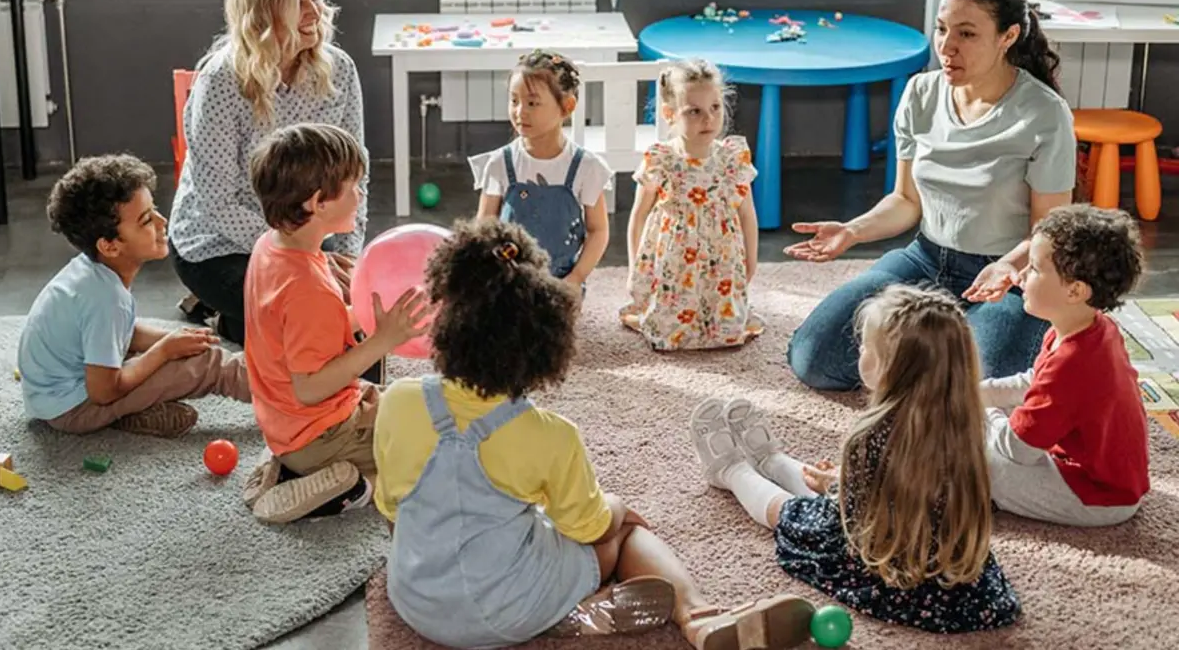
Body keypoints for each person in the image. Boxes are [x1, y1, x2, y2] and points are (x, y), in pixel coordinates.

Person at [374, 217, 818, 650]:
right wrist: (619, 509)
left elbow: (392, 505)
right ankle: (698, 616)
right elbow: (589, 526)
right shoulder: (550, 436)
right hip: (507, 609)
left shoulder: (398, 400)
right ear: (543, 345)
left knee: (506, 520)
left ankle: (567, 612)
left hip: (415, 600)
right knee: (623, 533)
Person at [785, 0, 1075, 390]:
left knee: (982, 389)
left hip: (1004, 276)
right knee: (814, 358)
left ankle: (936, 351)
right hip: (924, 258)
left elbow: (1049, 229)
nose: (947, 46)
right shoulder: (921, 93)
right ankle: (936, 349)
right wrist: (852, 230)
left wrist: (1009, 267)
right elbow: (906, 201)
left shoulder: (1044, 114)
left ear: (1008, 36)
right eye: (942, 29)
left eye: (967, 33)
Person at [692, 284, 1021, 634]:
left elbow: (851, 520)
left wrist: (841, 486)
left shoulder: (872, 434)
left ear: (891, 367)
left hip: (895, 567)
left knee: (792, 513)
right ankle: (771, 460)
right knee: (824, 496)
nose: (859, 351)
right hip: (956, 576)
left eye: (866, 347)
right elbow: (907, 490)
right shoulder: (970, 421)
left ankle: (731, 471)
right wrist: (842, 482)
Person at [168, 0, 369, 345]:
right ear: (264, 13)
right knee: (303, 320)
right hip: (218, 245)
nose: (314, 11)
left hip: (308, 235)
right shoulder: (222, 80)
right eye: (297, 2)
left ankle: (234, 315)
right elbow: (218, 203)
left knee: (342, 318)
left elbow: (355, 174)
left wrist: (348, 259)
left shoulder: (339, 70)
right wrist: (303, 257)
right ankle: (222, 314)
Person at [238, 123, 430, 524]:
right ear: (317, 203)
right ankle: (348, 486)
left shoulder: (270, 247)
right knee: (433, 453)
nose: (360, 195)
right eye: (353, 186)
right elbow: (309, 388)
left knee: (413, 402)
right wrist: (381, 340)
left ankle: (289, 466)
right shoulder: (308, 288)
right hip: (321, 433)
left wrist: (361, 317)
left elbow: (298, 335)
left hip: (288, 424)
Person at [18, 155, 250, 437]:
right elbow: (104, 391)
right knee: (206, 364)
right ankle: (290, 396)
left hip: (54, 398)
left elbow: (123, 331)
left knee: (182, 348)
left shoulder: (92, 272)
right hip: (74, 409)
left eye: (155, 210)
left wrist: (170, 340)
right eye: (145, 220)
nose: (162, 221)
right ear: (110, 246)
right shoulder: (106, 299)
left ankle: (133, 414)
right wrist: (164, 351)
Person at [982, 204, 1149, 526]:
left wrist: (981, 413)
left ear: (1074, 290)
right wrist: (978, 393)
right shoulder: (1089, 328)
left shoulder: (1074, 363)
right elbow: (1033, 383)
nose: (1021, 276)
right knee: (992, 418)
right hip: (1102, 472)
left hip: (1100, 496)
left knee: (983, 466)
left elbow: (1018, 450)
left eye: (1033, 268)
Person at [621, 58, 762, 350]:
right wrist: (637, 268)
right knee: (669, 329)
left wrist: (751, 260)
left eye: (715, 108)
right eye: (694, 111)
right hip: (674, 264)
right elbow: (639, 216)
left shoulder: (733, 158)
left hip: (721, 261)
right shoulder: (660, 159)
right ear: (670, 114)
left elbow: (747, 214)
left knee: (726, 328)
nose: (708, 119)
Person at [470, 49, 612, 292]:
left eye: (533, 103)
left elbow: (598, 231)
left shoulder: (586, 167)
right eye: (514, 100)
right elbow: (484, 227)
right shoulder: (499, 163)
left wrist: (576, 277)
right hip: (508, 282)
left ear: (567, 107)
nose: (520, 111)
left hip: (561, 284)